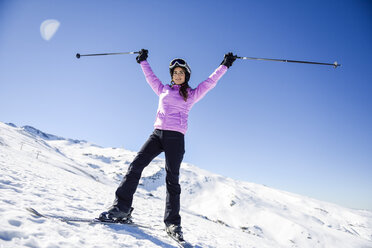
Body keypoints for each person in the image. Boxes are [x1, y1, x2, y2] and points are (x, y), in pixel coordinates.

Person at [99, 49, 236, 242]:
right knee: (136, 165)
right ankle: (121, 209)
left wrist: (225, 65)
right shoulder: (163, 89)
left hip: (176, 138)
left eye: (181, 72)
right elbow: (150, 77)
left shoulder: (191, 94)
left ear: (186, 75)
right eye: (175, 73)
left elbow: (210, 82)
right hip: (157, 134)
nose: (177, 75)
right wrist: (143, 61)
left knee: (172, 180)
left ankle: (173, 223)